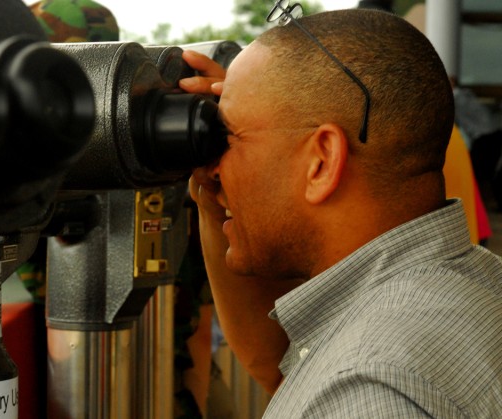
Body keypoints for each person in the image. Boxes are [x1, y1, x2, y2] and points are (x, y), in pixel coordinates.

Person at [178, 6, 502, 418]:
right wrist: (213, 201)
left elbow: (343, 381)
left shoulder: (367, 388)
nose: (213, 165)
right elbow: (293, 375)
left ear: (322, 161)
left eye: (229, 137)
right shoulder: (475, 287)